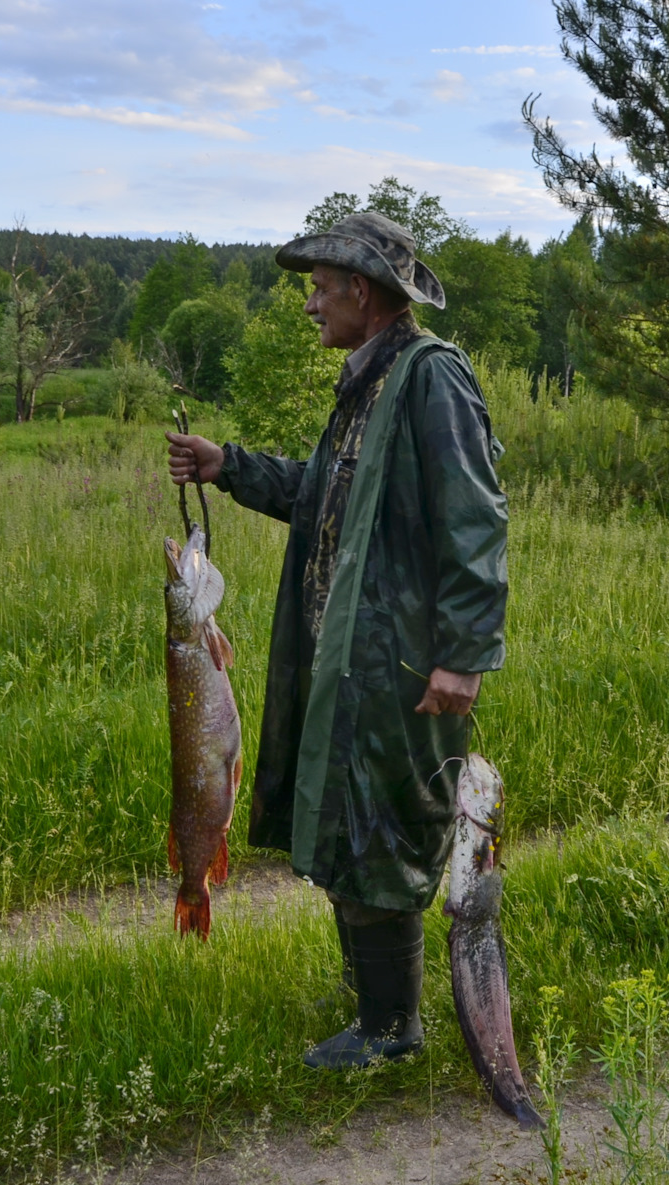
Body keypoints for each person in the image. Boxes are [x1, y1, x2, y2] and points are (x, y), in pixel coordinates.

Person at [166, 212, 508, 1069]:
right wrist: (227, 464)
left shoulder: (431, 379)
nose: (311, 304)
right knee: (349, 829)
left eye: (320, 288)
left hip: (401, 664)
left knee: (386, 832)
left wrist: (463, 655)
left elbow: (476, 522)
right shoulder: (366, 385)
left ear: (362, 290)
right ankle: (374, 1009)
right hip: (349, 665)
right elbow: (321, 496)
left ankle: (393, 1032)